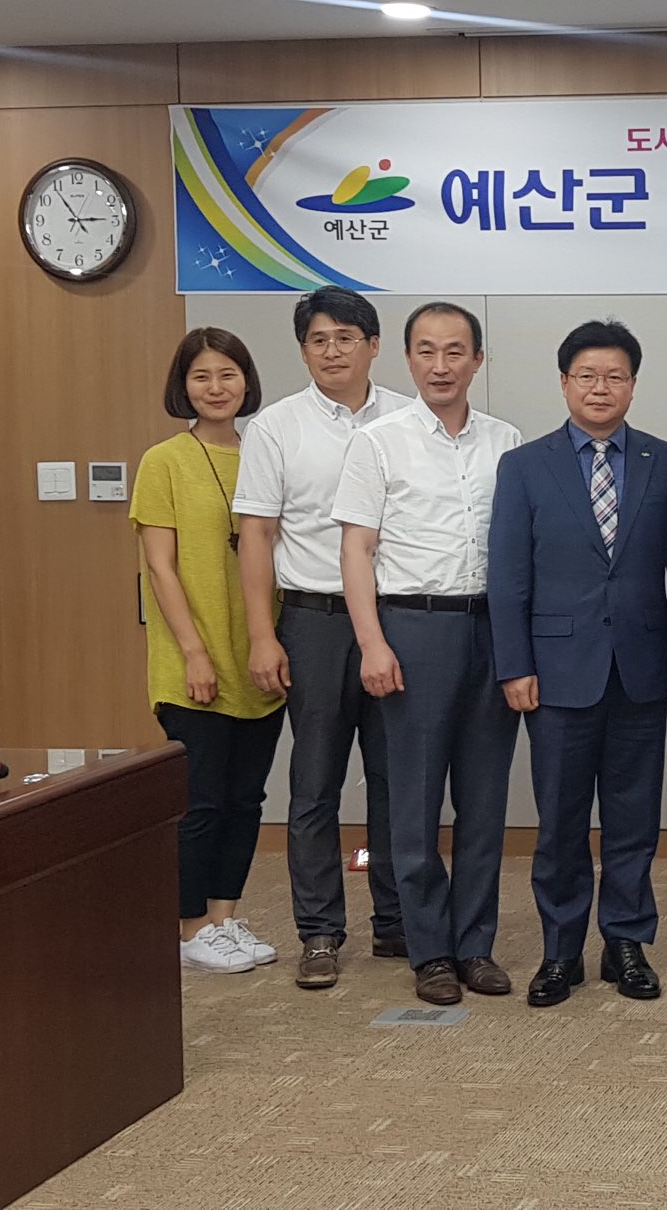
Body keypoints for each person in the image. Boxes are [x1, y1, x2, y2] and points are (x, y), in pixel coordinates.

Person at [489, 320, 667, 1007]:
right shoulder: (525, 466)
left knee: (635, 817)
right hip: (554, 671)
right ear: (564, 383)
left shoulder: (666, 461)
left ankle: (626, 943)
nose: (600, 388)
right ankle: (561, 950)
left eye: (615, 376)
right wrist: (514, 664)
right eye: (587, 376)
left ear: (633, 385)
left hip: (642, 665)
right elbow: (508, 574)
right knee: (561, 820)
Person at [335, 302, 524, 1006]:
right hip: (413, 628)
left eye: (454, 352)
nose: (440, 365)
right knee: (413, 801)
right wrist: (371, 642)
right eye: (426, 351)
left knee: (484, 798)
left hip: (492, 630)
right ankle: (430, 950)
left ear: (478, 360)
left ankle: (474, 945)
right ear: (407, 358)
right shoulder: (378, 442)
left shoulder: (507, 442)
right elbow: (356, 549)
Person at [236, 286, 412, 990]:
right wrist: (262, 635)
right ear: (303, 350)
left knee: (399, 779)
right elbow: (256, 534)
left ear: (374, 345)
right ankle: (319, 930)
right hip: (312, 621)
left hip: (397, 619)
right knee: (314, 783)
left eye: (346, 337)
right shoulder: (275, 427)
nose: (332, 350)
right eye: (318, 339)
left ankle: (397, 920)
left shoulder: (410, 418)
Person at [131, 328, 287, 975]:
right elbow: (161, 568)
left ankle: (223, 918)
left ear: (247, 381)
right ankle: (190, 927)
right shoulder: (163, 461)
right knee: (202, 801)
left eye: (228, 374)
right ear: (183, 386)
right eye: (202, 376)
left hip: (260, 656)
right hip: (191, 660)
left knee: (246, 799)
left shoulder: (266, 454)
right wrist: (195, 652)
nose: (216, 387)